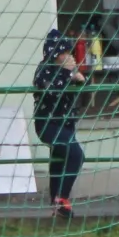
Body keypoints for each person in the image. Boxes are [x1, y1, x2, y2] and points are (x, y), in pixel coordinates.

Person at [32, 29, 88, 219]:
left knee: (59, 160)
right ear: (54, 54)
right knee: (76, 155)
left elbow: (83, 90)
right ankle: (62, 198)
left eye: (69, 52)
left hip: (66, 124)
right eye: (64, 53)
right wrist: (66, 73)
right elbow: (51, 89)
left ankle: (56, 202)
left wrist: (80, 79)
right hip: (48, 125)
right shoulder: (44, 70)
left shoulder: (68, 72)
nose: (69, 56)